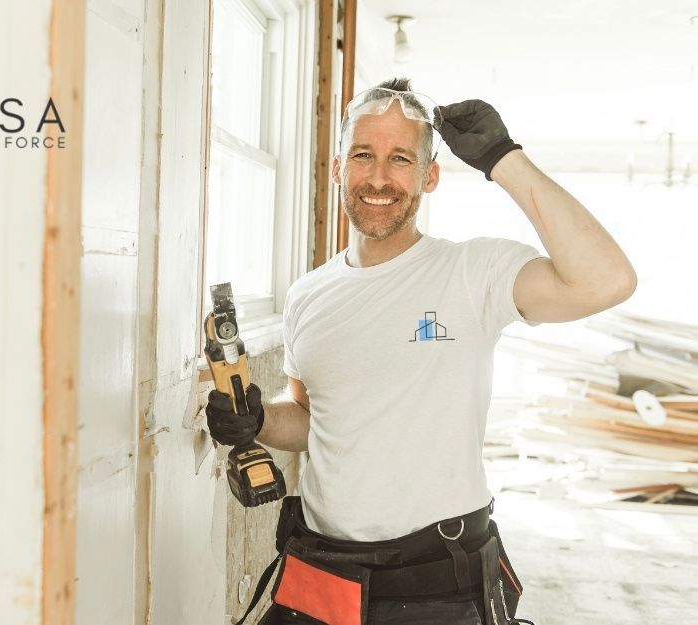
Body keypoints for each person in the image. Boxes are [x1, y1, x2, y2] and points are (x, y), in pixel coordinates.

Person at [205, 77, 636, 625]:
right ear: (338, 169)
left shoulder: (472, 273)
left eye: (401, 159)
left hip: (438, 583)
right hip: (321, 573)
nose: (379, 178)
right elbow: (316, 422)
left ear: (430, 175)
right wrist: (259, 418)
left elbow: (608, 281)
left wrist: (503, 159)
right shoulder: (307, 294)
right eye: (363, 155)